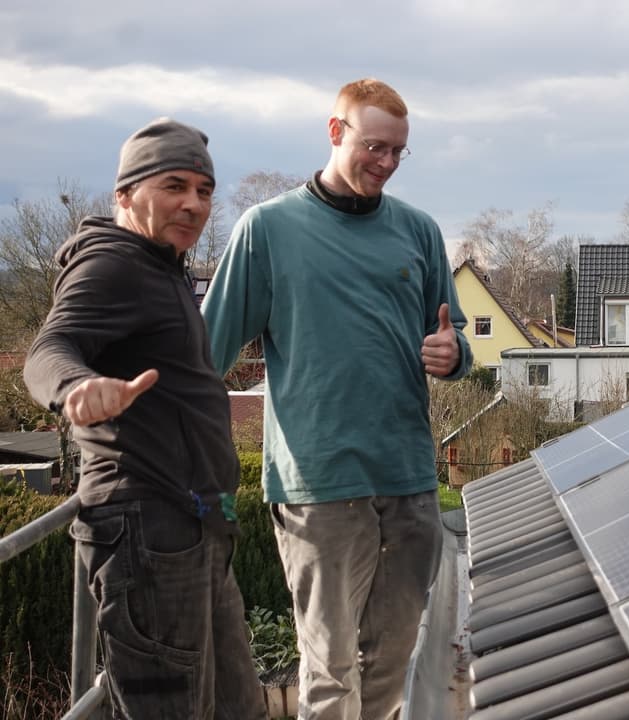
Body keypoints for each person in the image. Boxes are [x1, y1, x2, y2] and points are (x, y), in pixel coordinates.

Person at [200, 78, 473, 720]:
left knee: (390, 664)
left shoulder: (418, 230)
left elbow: (452, 334)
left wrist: (454, 354)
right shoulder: (267, 230)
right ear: (335, 132)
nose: (384, 163)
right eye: (373, 146)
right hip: (318, 487)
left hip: (406, 481)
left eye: (398, 152)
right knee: (329, 670)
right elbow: (203, 355)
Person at [23, 118, 266, 719]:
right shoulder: (112, 265)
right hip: (146, 533)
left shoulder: (162, 264)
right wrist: (76, 387)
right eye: (174, 186)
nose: (193, 203)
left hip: (194, 526)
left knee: (238, 707)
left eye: (204, 191)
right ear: (125, 195)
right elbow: (47, 350)